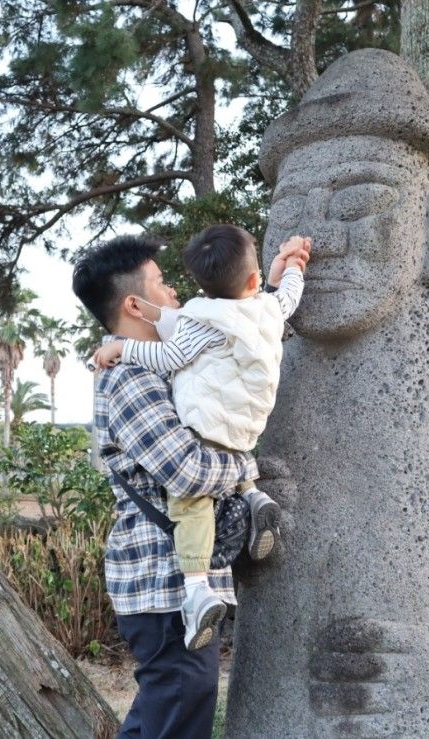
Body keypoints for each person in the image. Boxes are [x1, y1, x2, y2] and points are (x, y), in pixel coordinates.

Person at [72, 234, 305, 738]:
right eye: (160, 281)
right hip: (160, 581)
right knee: (175, 705)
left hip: (181, 579)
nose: (175, 290)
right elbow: (188, 472)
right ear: (135, 303)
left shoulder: (175, 366)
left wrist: (271, 281)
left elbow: (244, 335)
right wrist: (248, 473)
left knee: (187, 703)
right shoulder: (130, 377)